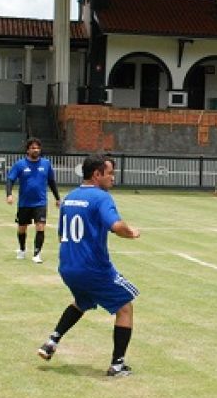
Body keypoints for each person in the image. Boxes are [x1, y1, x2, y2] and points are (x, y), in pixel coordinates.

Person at [36, 154, 141, 377]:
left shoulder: (70, 198)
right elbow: (115, 225)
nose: (113, 178)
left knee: (82, 301)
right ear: (97, 174)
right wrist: (131, 232)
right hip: (93, 268)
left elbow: (61, 236)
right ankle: (117, 365)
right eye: (110, 173)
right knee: (125, 306)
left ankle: (51, 341)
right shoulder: (101, 197)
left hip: (68, 267)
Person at [6, 138, 61, 263]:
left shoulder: (46, 164)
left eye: (37, 148)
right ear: (27, 150)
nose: (36, 150)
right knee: (22, 228)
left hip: (40, 203)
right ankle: (22, 249)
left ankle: (37, 254)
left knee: (40, 227)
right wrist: (9, 194)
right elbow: (10, 180)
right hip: (24, 203)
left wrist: (57, 198)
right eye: (33, 148)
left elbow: (51, 181)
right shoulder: (20, 164)